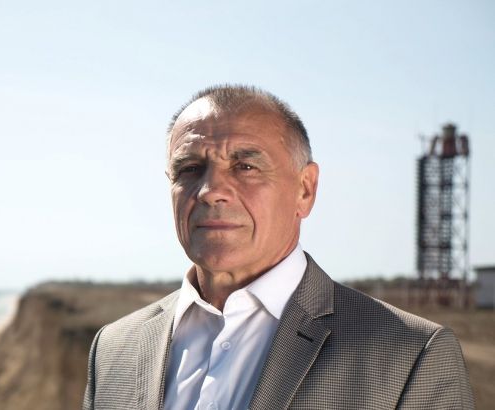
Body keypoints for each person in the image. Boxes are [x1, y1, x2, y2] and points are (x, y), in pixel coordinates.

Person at [82, 85, 474, 409]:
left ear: (305, 190)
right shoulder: (114, 348)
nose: (211, 191)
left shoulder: (410, 356)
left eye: (245, 167)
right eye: (189, 169)